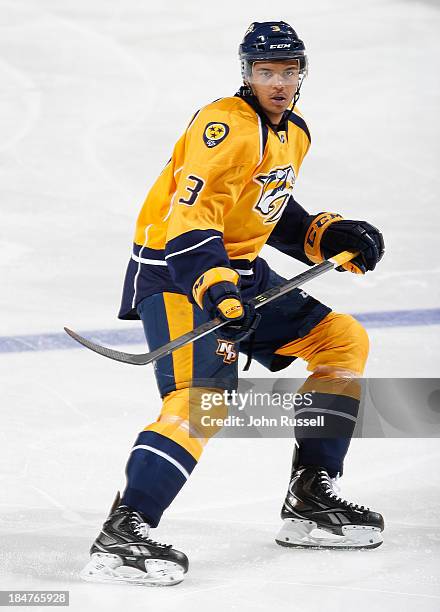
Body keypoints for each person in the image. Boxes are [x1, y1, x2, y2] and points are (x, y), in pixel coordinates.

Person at [80, 21, 385, 587]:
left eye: (288, 71)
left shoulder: (293, 132)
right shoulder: (224, 126)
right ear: (246, 74)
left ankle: (311, 495)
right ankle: (125, 529)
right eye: (266, 71)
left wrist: (328, 234)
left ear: (302, 75)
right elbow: (189, 218)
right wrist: (216, 287)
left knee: (343, 340)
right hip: (178, 275)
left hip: (239, 275)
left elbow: (269, 210)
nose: (278, 82)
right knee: (202, 403)